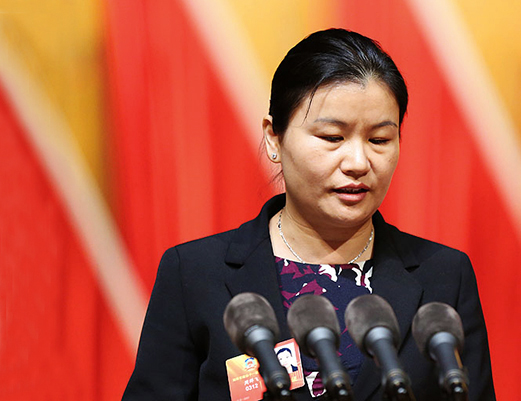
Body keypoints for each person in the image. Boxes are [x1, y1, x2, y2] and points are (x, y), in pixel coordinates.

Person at [122, 28, 496, 400]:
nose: (358, 162)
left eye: (379, 139)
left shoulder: (444, 276)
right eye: (332, 137)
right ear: (274, 137)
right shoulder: (195, 274)